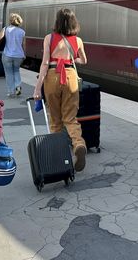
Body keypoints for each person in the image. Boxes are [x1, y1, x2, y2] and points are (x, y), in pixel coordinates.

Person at [33, 9, 88, 172]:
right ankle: (78, 144)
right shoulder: (78, 40)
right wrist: (70, 58)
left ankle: (59, 156)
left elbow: (44, 63)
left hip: (52, 75)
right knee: (70, 118)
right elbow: (83, 60)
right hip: (70, 76)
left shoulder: (49, 38)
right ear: (73, 22)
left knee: (55, 120)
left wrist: (37, 88)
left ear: (57, 21)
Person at [0, 13, 26, 97]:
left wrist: (4, 31)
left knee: (9, 73)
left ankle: (11, 91)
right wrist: (24, 54)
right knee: (16, 71)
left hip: (7, 55)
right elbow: (24, 45)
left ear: (10, 20)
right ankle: (18, 86)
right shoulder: (22, 32)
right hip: (19, 55)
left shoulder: (6, 29)